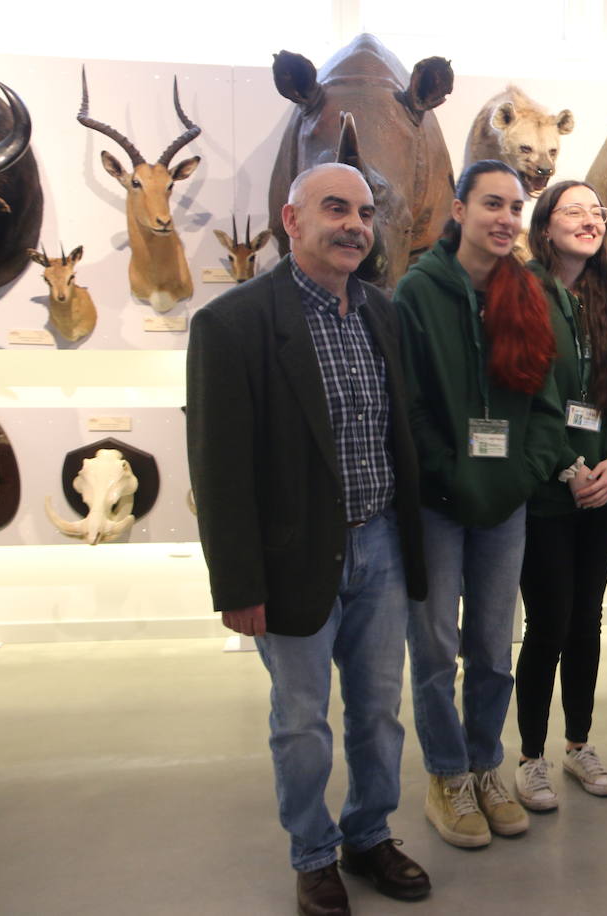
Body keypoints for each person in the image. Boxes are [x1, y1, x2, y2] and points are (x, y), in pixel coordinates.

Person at [186, 162, 431, 916]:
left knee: (380, 710)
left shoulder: (383, 313)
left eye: (365, 211)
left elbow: (401, 438)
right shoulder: (232, 325)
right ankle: (313, 853)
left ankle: (368, 833)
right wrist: (238, 585)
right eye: (335, 208)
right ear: (291, 221)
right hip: (293, 555)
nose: (355, 225)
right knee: (300, 720)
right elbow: (219, 468)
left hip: (382, 547)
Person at [396, 160, 561, 846]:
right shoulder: (417, 293)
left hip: (505, 504)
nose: (505, 219)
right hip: (438, 503)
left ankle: (486, 765)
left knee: (494, 646)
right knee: (434, 648)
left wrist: (524, 474)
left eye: (515, 208)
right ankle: (446, 776)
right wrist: (447, 473)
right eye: (492, 203)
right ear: (458, 209)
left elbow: (549, 404)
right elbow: (407, 406)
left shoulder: (528, 291)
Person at [513, 180, 607, 810]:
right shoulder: (523, 294)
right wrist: (569, 468)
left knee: (586, 620)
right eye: (574, 211)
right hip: (547, 493)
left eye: (597, 213)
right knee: (547, 622)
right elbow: (524, 396)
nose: (590, 220)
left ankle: (578, 744)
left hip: (604, 495)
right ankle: (532, 756)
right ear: (545, 226)